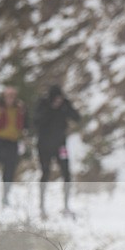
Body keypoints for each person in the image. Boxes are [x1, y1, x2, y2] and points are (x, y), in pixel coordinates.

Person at [34, 84, 80, 218]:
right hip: (44, 145)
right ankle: (41, 206)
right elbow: (36, 121)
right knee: (45, 173)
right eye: (56, 99)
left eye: (60, 99)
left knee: (67, 173)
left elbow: (77, 117)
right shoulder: (43, 104)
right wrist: (51, 109)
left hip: (61, 145)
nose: (58, 101)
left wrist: (66, 108)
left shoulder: (65, 104)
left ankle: (66, 206)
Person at [0, 86, 29, 207]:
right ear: (4, 97)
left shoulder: (20, 108)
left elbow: (26, 122)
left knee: (11, 166)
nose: (10, 98)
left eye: (12, 96)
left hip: (14, 140)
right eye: (8, 96)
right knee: (3, 160)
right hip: (0, 140)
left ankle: (6, 194)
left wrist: (26, 134)